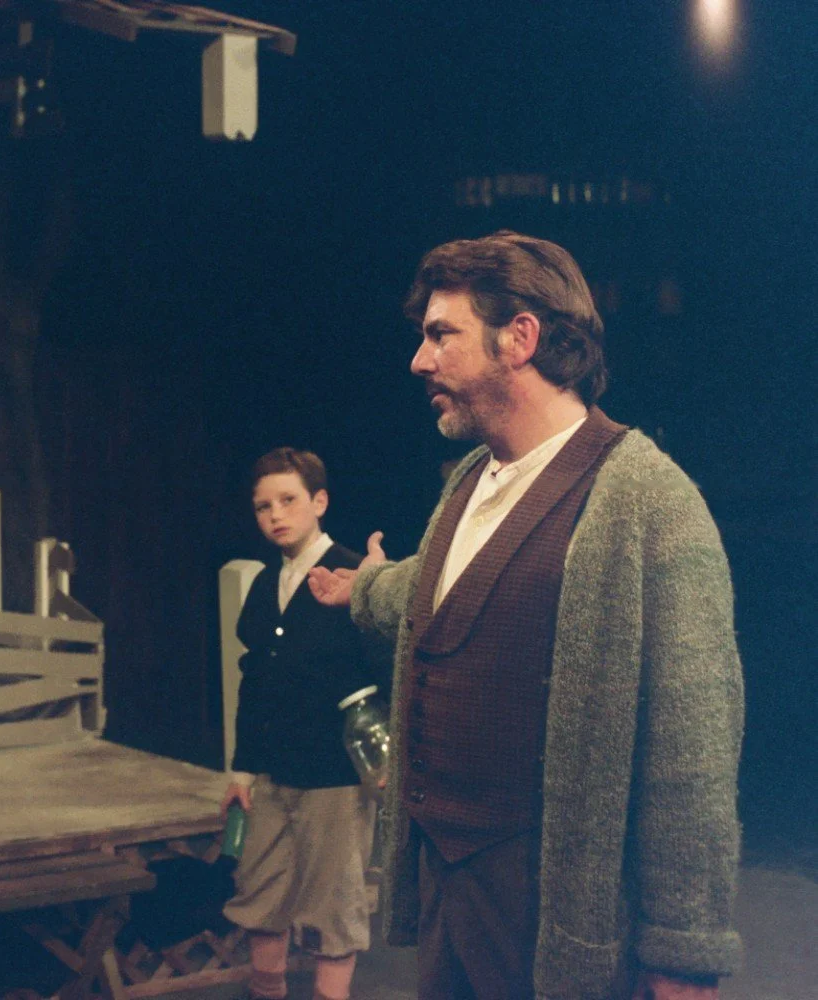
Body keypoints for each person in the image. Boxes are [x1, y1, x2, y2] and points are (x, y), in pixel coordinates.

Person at [308, 232, 743, 999]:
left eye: (441, 334)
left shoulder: (649, 503)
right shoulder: (472, 480)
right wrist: (365, 589)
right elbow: (450, 587)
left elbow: (693, 751)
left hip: (560, 919)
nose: (419, 360)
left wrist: (682, 952)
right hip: (451, 898)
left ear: (521, 338)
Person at [222, 448, 386, 1000]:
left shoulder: (352, 574)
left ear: (319, 501)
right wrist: (242, 772)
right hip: (271, 775)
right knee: (260, 896)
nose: (274, 514)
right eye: (262, 505)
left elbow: (388, 674)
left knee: (333, 908)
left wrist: (386, 758)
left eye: (288, 500)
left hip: (335, 777)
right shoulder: (267, 586)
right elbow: (255, 681)